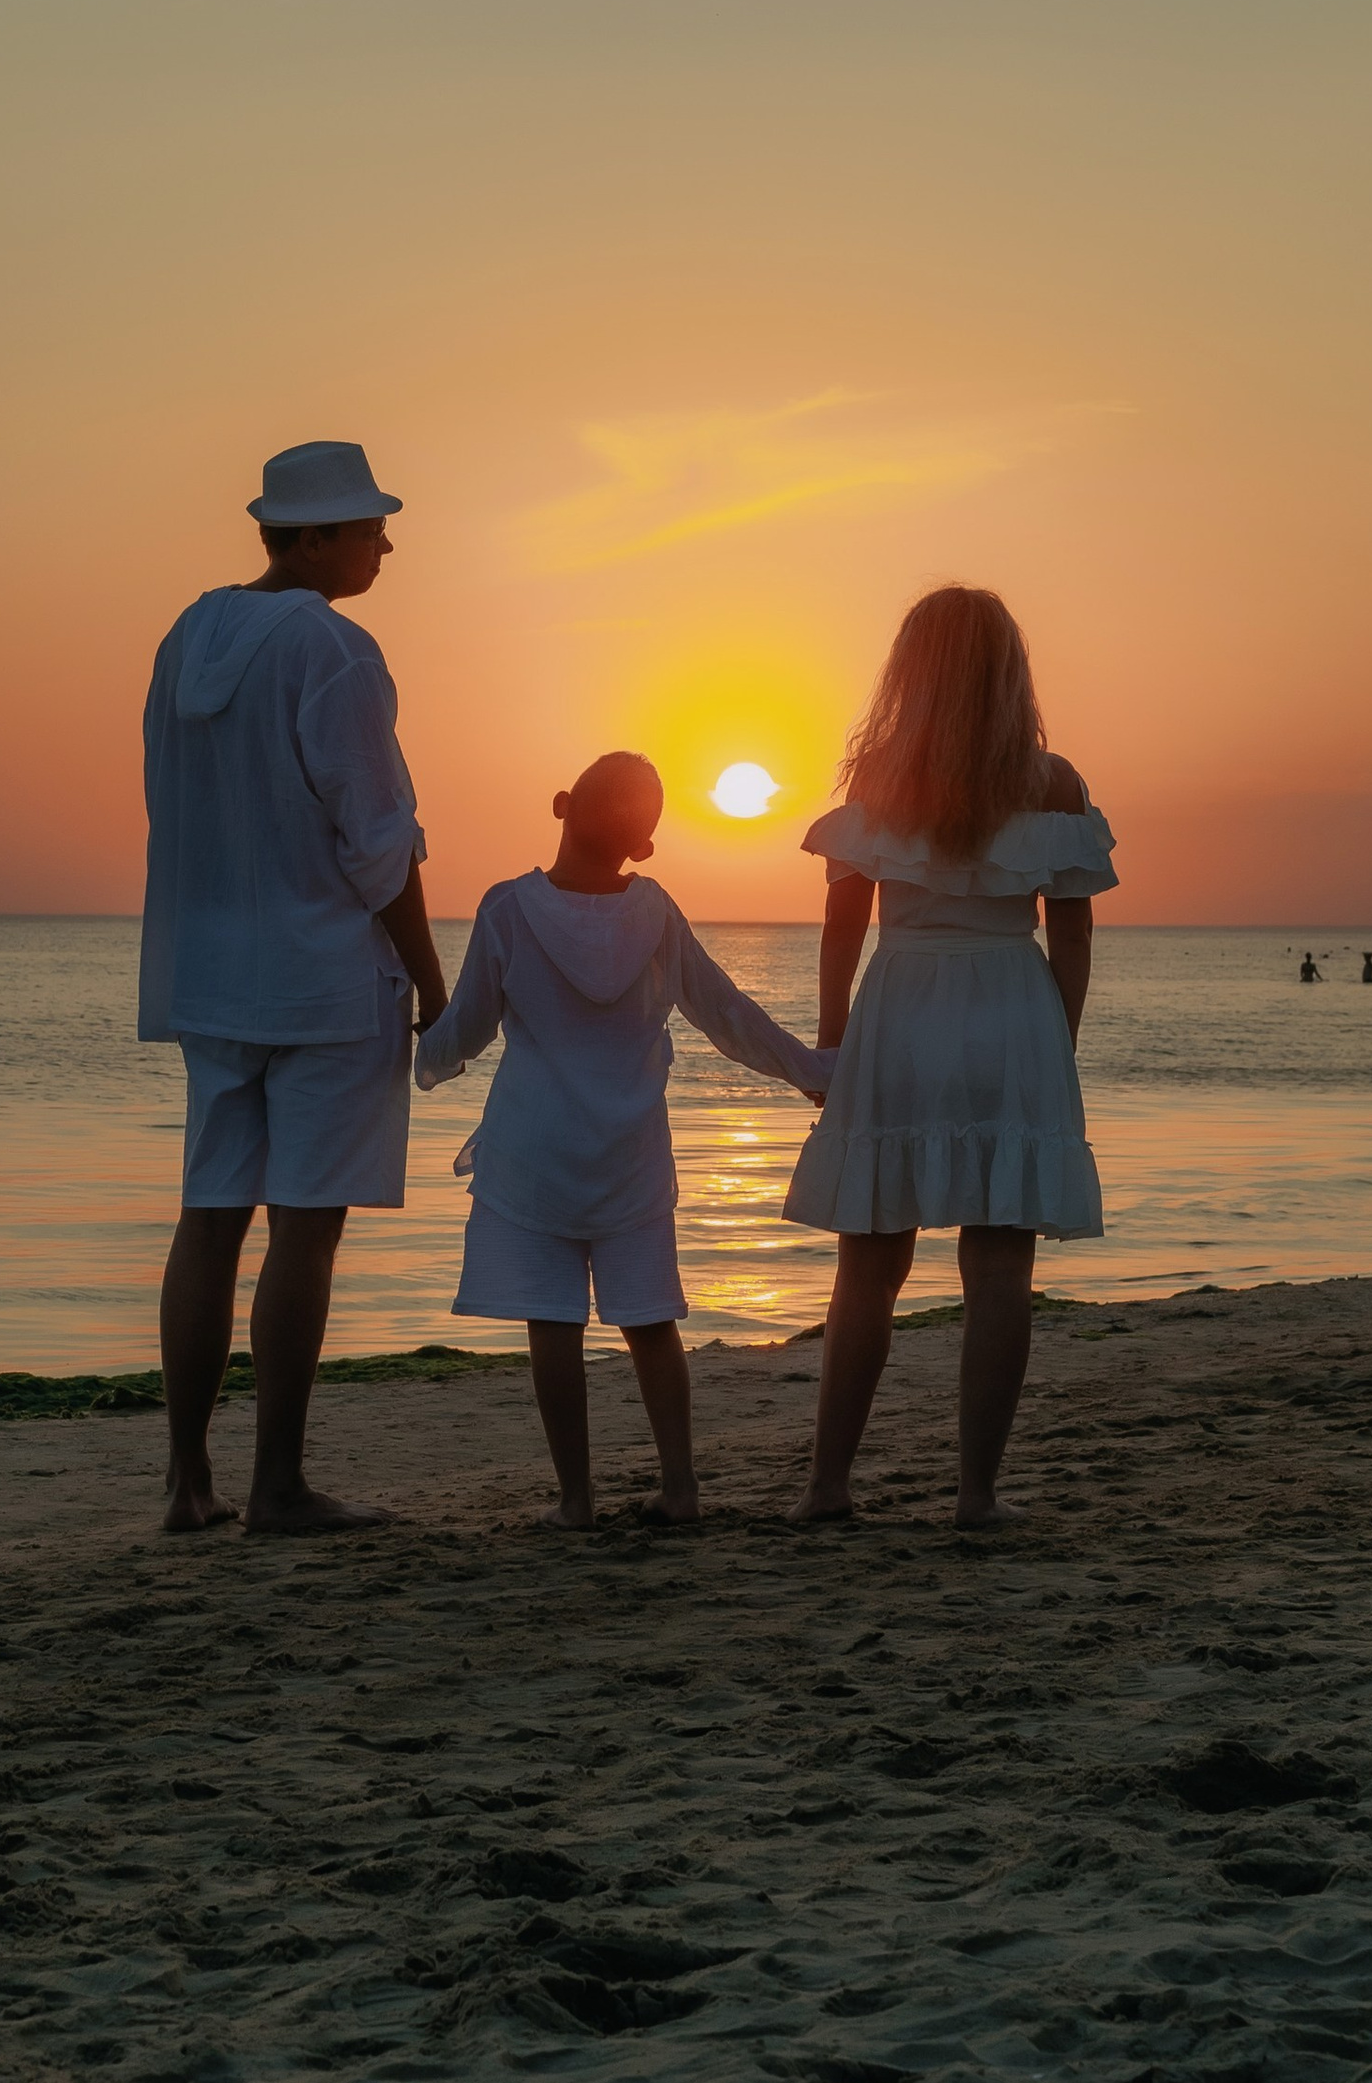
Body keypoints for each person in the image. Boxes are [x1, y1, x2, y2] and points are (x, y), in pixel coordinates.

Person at [139, 440, 448, 1536]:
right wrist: (432, 981)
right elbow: (378, 841)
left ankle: (187, 1481)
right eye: (370, 529)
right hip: (323, 978)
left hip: (212, 970)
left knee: (208, 1222)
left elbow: (169, 801)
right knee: (304, 1234)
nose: (385, 547)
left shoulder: (187, 636)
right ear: (311, 537)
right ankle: (276, 1484)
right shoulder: (334, 649)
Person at [417, 752, 833, 1530]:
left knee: (553, 1324)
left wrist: (422, 1054)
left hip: (534, 1151)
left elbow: (467, 1028)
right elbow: (727, 1015)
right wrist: (811, 1069)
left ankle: (576, 1501)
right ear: (642, 846)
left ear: (562, 804)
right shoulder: (656, 914)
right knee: (649, 1324)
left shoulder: (507, 909)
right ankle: (680, 1488)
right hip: (630, 1153)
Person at [783, 586, 1116, 1530]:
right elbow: (1073, 936)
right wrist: (1057, 1051)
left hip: (903, 1006)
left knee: (868, 1266)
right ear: (1010, 673)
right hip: (1011, 1008)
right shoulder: (1053, 783)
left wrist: (832, 1045)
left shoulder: (882, 774)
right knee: (1000, 1272)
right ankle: (976, 1494)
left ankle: (827, 1486)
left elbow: (841, 929)